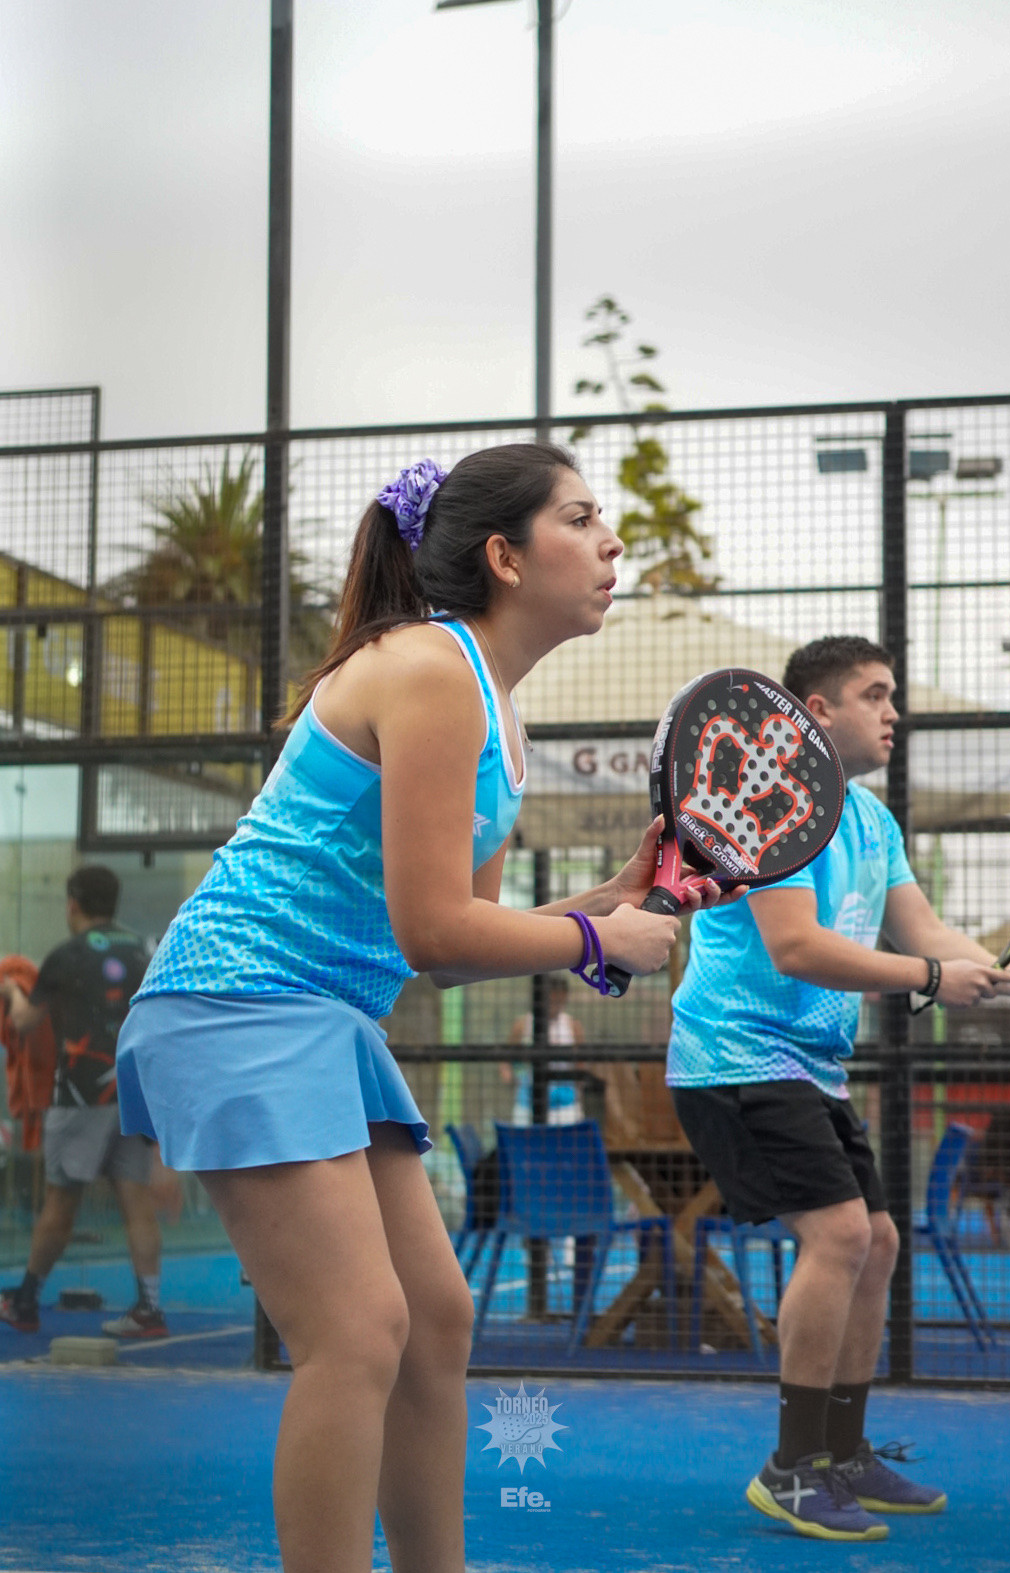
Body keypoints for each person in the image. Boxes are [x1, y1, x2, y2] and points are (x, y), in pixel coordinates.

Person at [113, 444, 737, 1573]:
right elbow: (433, 935)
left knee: (433, 1318)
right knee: (357, 1334)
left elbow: (461, 936)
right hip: (234, 1001)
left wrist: (608, 898)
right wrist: (600, 940)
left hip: (320, 1018)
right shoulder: (431, 669)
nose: (610, 542)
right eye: (580, 518)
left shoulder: (498, 714)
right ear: (505, 556)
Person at [667, 635, 1010, 1544]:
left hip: (808, 1065)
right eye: (873, 694)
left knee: (876, 1244)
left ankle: (840, 1451)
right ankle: (791, 1466)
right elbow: (795, 947)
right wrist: (928, 978)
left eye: (891, 694)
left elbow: (925, 930)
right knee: (839, 1233)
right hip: (735, 1055)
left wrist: (1005, 977)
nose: (892, 712)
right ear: (816, 711)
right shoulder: (768, 804)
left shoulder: (872, 821)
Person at [0, 865, 167, 1339]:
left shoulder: (65, 955)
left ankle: (25, 1301)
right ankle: (150, 1309)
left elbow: (25, 1022)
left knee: (60, 1203)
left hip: (79, 1097)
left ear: (72, 903)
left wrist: (11, 990)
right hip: (133, 1095)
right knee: (137, 1202)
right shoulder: (144, 950)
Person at [504, 974, 585, 1124]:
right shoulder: (522, 1024)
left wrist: (578, 1085)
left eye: (559, 1001)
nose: (555, 1005)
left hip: (564, 1101)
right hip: (528, 1100)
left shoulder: (572, 1025)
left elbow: (580, 1061)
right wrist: (508, 1074)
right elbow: (507, 1055)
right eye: (552, 1000)